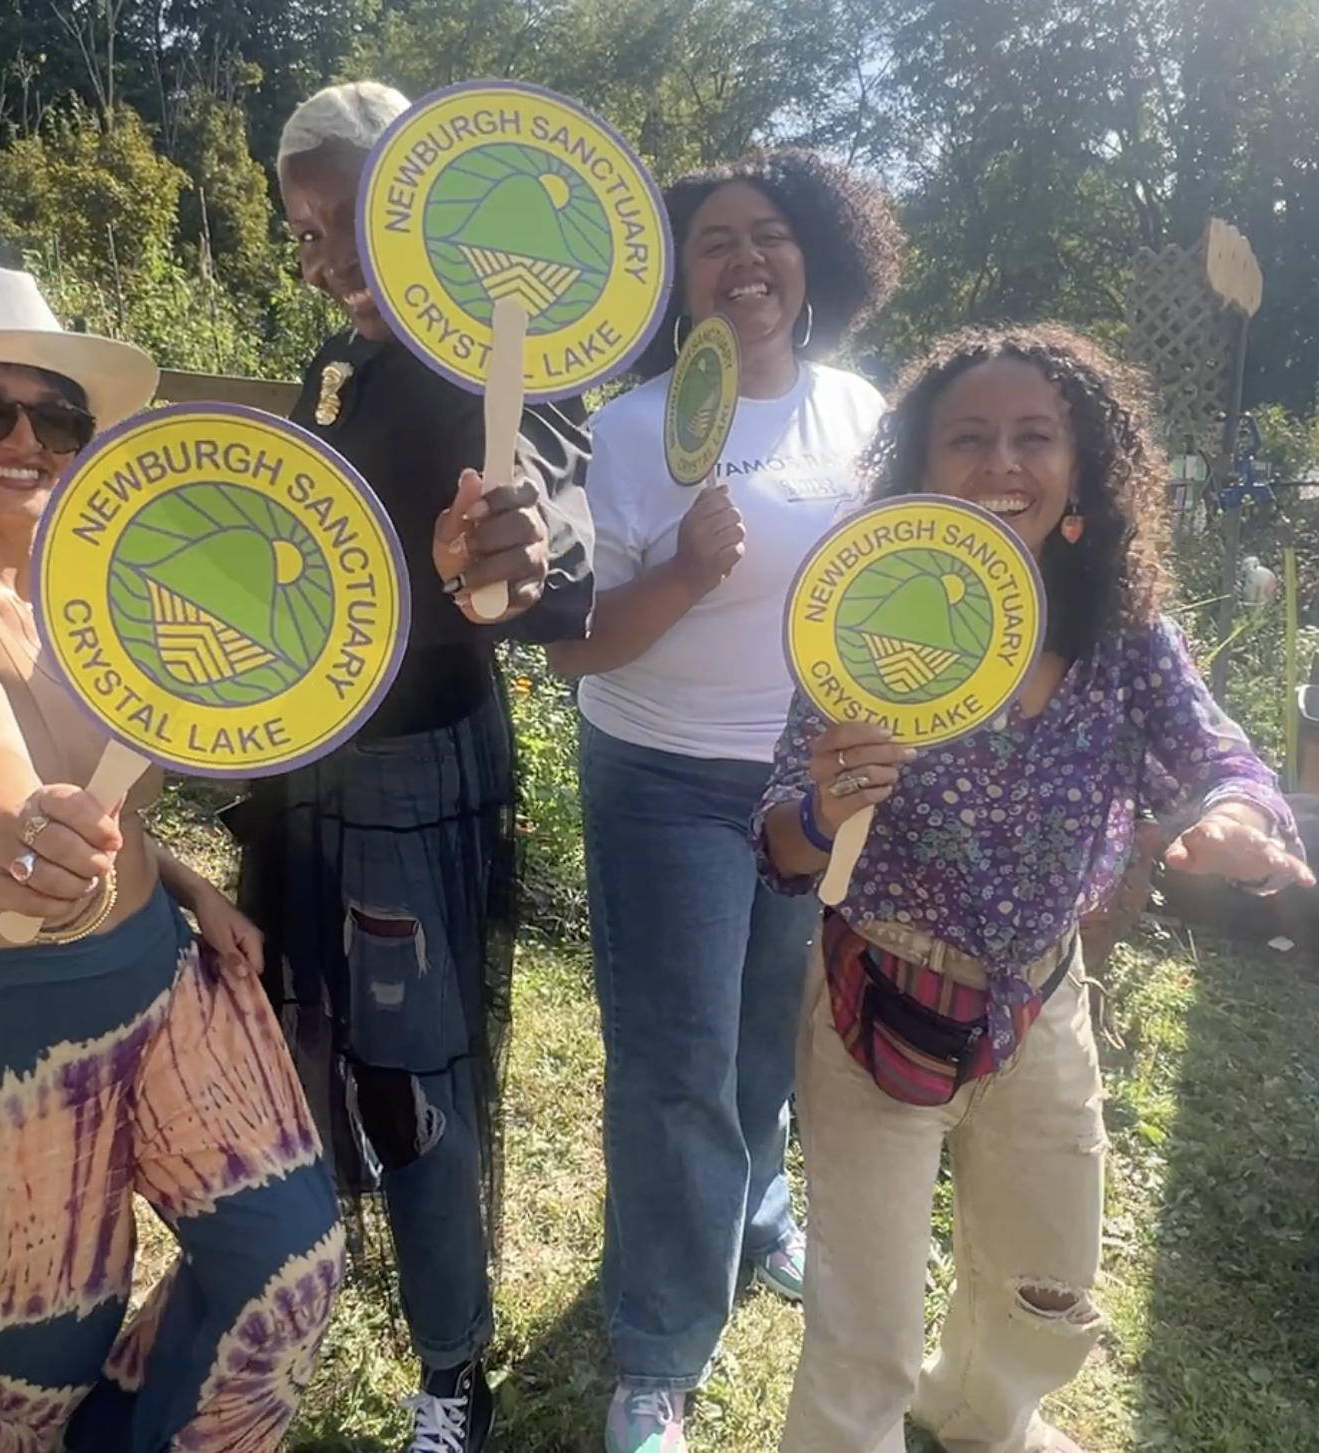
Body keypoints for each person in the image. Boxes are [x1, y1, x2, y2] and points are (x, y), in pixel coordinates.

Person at [0, 265, 345, 1453]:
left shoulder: (84, 586)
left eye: (57, 416)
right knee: (26, 1376)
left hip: (164, 980)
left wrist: (186, 884)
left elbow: (111, 790)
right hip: (7, 1040)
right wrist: (11, 830)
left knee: (289, 1261)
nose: (24, 439)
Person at [756, 325, 1316, 1453]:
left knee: (1044, 1296)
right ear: (918, 471)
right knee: (860, 1336)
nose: (1000, 461)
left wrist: (1235, 819)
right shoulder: (868, 623)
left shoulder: (1122, 636)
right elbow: (777, 845)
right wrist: (822, 810)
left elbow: (1223, 759)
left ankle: (977, 1420)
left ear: (1080, 475)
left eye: (1032, 437)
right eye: (967, 437)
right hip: (879, 1013)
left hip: (1041, 1011)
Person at [222, 81, 597, 1453]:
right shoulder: (341, 366)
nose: (330, 259)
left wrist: (515, 561)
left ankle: (453, 1367)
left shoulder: (505, 361)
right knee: (302, 1046)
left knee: (412, 1080)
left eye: (353, 218)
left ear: (428, 206)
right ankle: (309, 1297)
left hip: (415, 776)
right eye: (308, 234)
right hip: (301, 773)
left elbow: (547, 515)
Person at [544, 149, 902, 1453]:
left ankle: (749, 1219)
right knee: (675, 1065)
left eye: (770, 236)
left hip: (805, 783)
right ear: (676, 277)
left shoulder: (865, 415)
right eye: (713, 242)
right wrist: (688, 574)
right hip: (663, 780)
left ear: (817, 257)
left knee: (768, 1043)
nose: (745, 259)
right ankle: (656, 1352)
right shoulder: (630, 429)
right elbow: (577, 646)